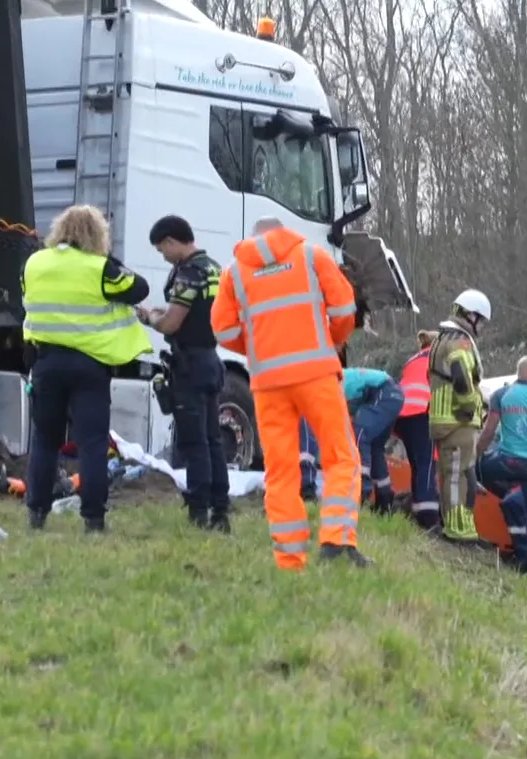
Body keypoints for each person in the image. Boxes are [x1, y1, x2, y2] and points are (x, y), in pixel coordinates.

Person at [210, 217, 368, 570]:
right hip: (317, 374)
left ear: (253, 238)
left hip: (267, 382)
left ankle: (289, 559)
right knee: (341, 458)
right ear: (283, 231)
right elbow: (345, 309)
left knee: (280, 471)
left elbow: (223, 331)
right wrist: (331, 339)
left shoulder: (233, 274)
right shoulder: (312, 256)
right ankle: (338, 542)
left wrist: (260, 348)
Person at [19, 205, 152, 532]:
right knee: (92, 443)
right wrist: (109, 259)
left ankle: (36, 513)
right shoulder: (101, 268)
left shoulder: (33, 263)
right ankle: (93, 518)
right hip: (89, 366)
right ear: (97, 234)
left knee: (45, 440)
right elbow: (140, 288)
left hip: (46, 363)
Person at [140, 214, 229, 531]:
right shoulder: (214, 268)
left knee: (194, 442)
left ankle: (199, 511)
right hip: (210, 359)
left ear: (170, 241)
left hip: (189, 365)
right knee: (213, 439)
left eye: (162, 249)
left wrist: (151, 318)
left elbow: (172, 323)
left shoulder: (189, 273)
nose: (163, 256)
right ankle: (221, 509)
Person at [475, 357, 527, 585]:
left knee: (472, 473)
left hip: (506, 463)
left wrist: (474, 460)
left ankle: (465, 525)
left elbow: (488, 431)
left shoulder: (502, 395)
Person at [429, 289, 492, 544]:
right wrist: (468, 407)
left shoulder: (444, 337)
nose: (482, 327)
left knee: (457, 475)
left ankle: (461, 527)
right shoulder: (460, 342)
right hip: (457, 421)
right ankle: (458, 531)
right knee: (458, 477)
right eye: (481, 321)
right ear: (470, 315)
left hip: (446, 419)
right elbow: (462, 377)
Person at [342, 363, 405, 512]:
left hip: (384, 391)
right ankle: (384, 501)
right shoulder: (343, 378)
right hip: (393, 395)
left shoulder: (337, 383)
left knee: (360, 434)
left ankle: (361, 491)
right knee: (375, 447)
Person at [395, 329, 442, 530]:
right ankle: (428, 516)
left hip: (401, 415)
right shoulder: (438, 358)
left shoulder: (412, 360)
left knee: (417, 463)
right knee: (426, 463)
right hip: (422, 411)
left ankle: (418, 507)